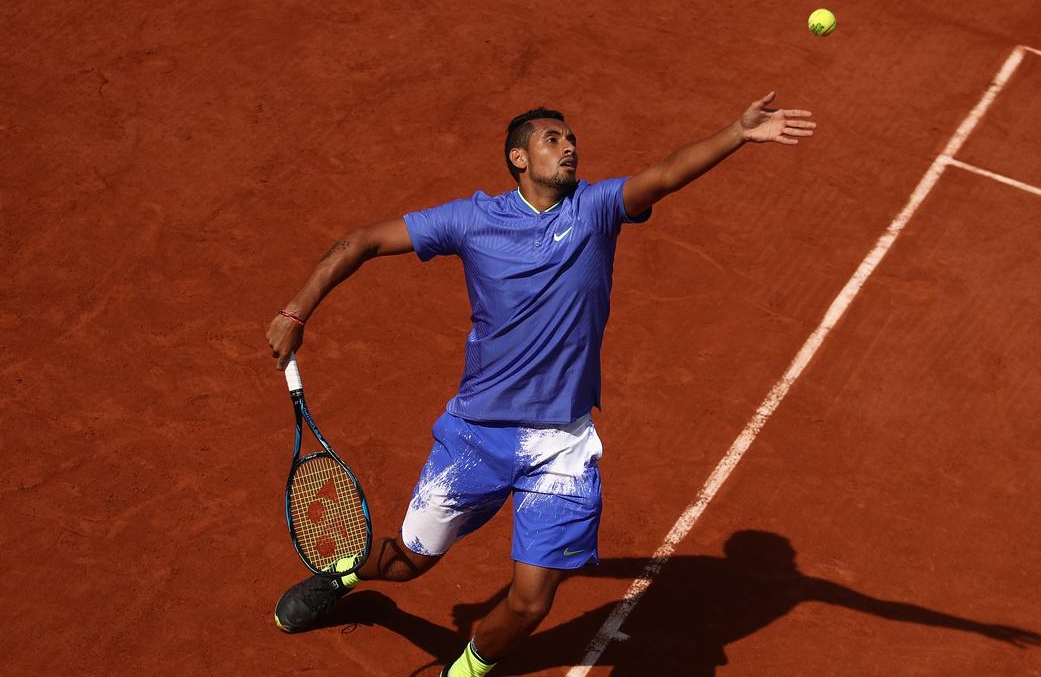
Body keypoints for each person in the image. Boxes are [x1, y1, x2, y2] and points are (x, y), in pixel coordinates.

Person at [265, 93, 816, 677]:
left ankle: (467, 671)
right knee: (407, 563)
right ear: (518, 158)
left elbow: (664, 176)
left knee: (530, 603)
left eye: (571, 137)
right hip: (474, 436)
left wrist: (736, 132)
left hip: (561, 445)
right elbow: (363, 240)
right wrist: (296, 313)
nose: (570, 146)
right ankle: (347, 573)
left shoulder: (596, 209)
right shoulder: (471, 220)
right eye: (553, 139)